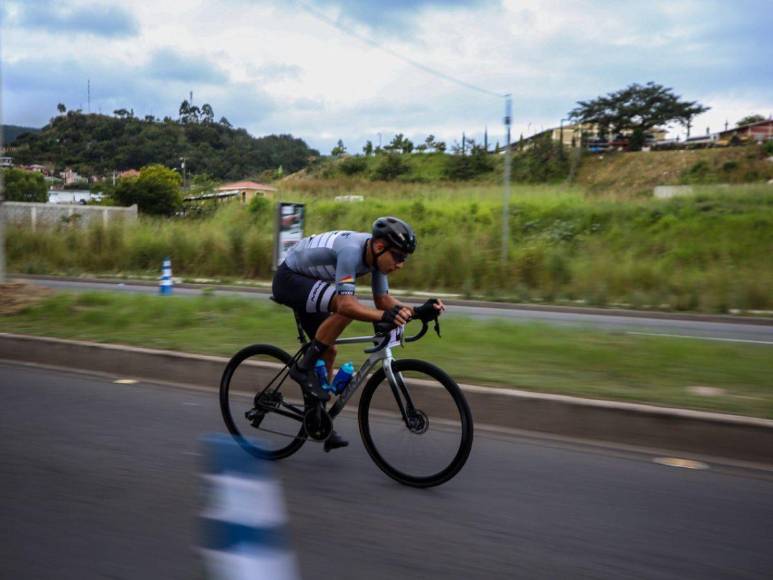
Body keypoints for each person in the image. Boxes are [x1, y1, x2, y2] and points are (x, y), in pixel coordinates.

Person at [272, 216, 444, 451]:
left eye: (405, 259)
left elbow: (383, 300)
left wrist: (418, 311)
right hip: (290, 279)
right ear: (380, 246)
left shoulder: (375, 257)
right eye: (398, 257)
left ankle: (319, 420)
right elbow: (347, 305)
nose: (401, 264)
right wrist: (384, 316)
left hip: (312, 281)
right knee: (347, 308)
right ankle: (302, 368)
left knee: (329, 350)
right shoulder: (352, 252)